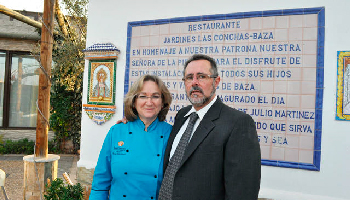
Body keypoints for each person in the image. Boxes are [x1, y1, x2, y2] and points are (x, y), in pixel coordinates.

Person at [158, 54, 261, 200]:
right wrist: (131, 119)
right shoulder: (182, 115)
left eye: (201, 76)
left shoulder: (238, 123)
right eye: (189, 77)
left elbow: (242, 191)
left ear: (216, 81)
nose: (194, 83)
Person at [89, 74, 173, 200]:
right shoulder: (116, 132)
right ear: (134, 102)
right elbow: (100, 183)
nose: (149, 102)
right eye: (143, 96)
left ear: (162, 103)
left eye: (155, 96)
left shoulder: (171, 134)